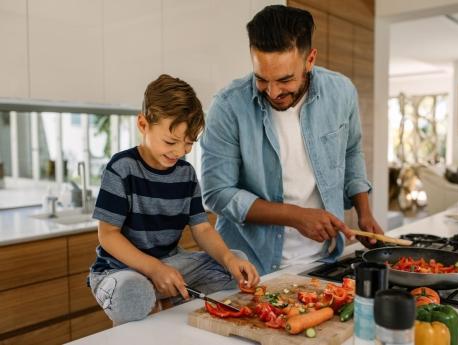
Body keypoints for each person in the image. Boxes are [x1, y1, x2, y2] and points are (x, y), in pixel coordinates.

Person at [200, 5, 383, 276]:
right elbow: (217, 193)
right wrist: (295, 216)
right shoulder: (227, 107)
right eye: (262, 79)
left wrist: (364, 211)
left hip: (324, 261)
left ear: (310, 59)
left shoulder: (341, 92)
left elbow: (351, 151)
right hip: (248, 266)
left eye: (285, 79)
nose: (273, 92)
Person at [88, 74, 259, 325]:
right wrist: (153, 269)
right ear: (143, 124)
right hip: (119, 270)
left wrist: (228, 259)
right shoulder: (121, 168)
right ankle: (159, 300)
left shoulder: (186, 174)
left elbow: (201, 228)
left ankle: (162, 301)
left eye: (189, 144)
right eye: (171, 141)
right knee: (133, 292)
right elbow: (108, 235)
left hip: (169, 263)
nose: (179, 152)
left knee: (235, 263)